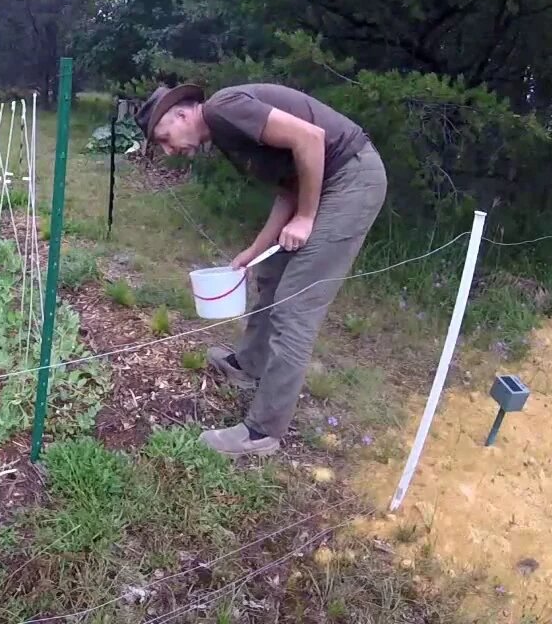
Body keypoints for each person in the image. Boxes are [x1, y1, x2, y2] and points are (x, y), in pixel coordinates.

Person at [135, 83, 387, 457]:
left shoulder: (223, 109)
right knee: (270, 273)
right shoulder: (224, 132)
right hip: (325, 181)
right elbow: (289, 184)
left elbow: (311, 139)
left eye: (166, 139)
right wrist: (256, 250)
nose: (172, 151)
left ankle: (262, 433)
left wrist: (306, 217)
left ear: (183, 115)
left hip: (351, 180)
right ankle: (248, 366)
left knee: (294, 306)